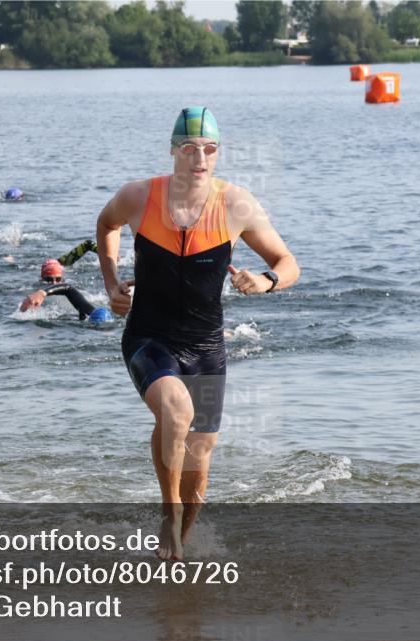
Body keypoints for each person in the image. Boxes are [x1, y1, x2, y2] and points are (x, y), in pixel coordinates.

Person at [96, 106, 300, 560]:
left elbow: (290, 265)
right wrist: (112, 282)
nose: (199, 159)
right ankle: (167, 517)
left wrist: (265, 281)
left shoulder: (236, 205)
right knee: (175, 410)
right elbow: (106, 224)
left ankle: (179, 546)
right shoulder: (138, 197)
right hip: (149, 336)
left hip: (207, 346)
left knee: (199, 466)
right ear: (173, 151)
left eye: (209, 149)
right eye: (189, 149)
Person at [18, 258, 96, 320]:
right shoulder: (33, 290)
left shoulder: (72, 288)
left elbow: (68, 289)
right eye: (49, 280)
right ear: (42, 278)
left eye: (58, 279)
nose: (54, 283)